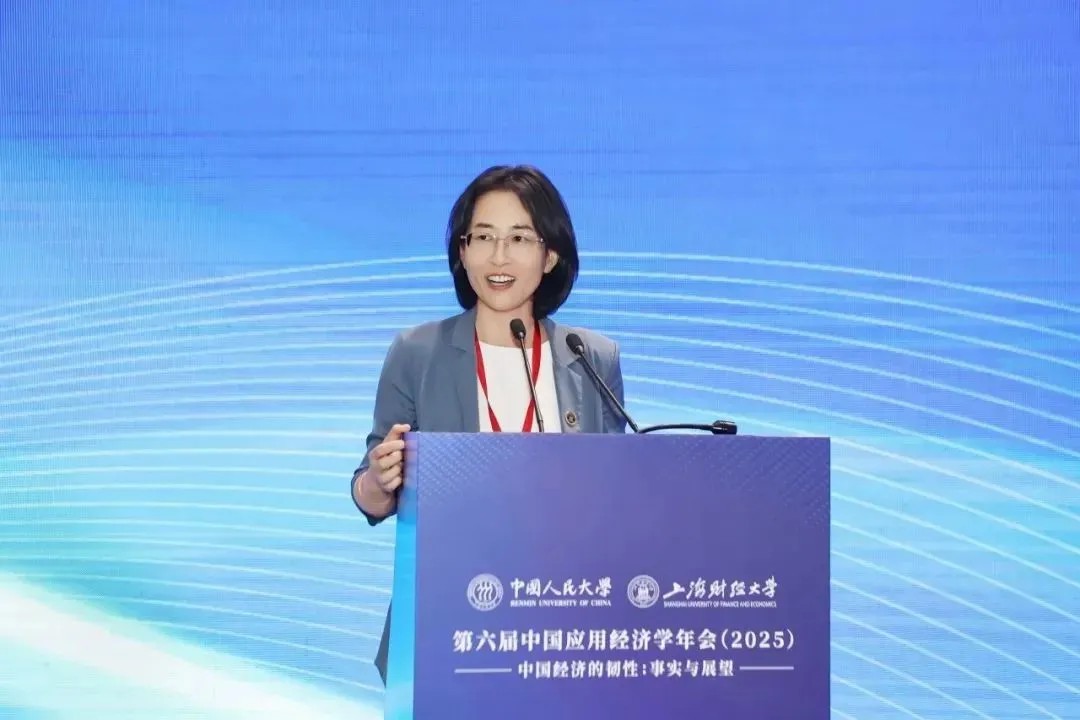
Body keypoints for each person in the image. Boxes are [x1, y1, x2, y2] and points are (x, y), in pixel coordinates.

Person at [349, 164, 628, 685]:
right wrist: (380, 482)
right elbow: (369, 492)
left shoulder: (590, 357)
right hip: (447, 621)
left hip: (564, 621)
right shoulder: (417, 352)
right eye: (482, 237)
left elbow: (615, 495)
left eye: (519, 238)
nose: (499, 257)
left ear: (550, 255)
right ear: (462, 252)